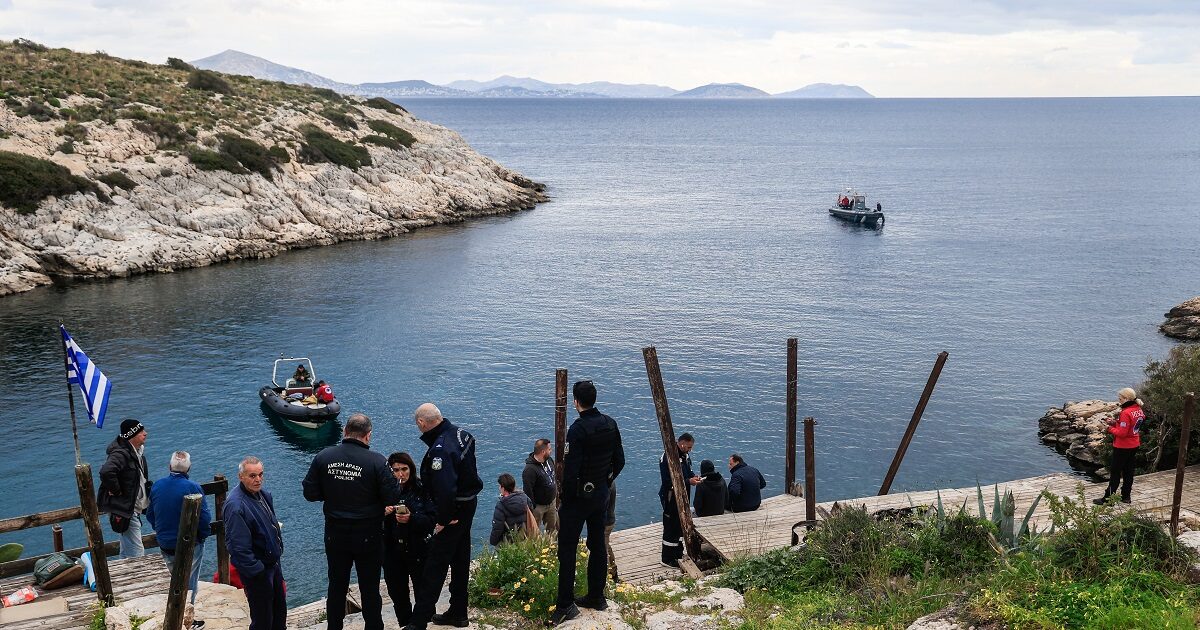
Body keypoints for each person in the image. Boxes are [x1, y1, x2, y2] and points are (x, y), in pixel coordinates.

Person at [302, 413, 402, 630]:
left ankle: (334, 627)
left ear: (345, 432)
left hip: (336, 532)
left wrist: (331, 493)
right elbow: (392, 497)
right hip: (369, 533)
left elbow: (310, 492)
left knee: (337, 586)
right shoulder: (377, 461)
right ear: (368, 436)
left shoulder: (324, 457)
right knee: (369, 587)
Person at [552, 380, 625, 625]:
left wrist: (567, 499)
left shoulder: (578, 429)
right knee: (597, 546)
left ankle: (565, 604)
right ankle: (596, 596)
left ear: (575, 402)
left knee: (567, 549)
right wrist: (605, 480)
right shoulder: (610, 424)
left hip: (579, 499)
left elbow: (570, 471)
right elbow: (620, 460)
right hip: (600, 495)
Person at [406, 403, 483, 630]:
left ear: (422, 423)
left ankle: (418, 623)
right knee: (460, 559)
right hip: (468, 504)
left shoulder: (440, 449)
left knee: (435, 565)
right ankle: (458, 611)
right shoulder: (462, 434)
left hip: (454, 511)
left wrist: (442, 519)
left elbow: (445, 488)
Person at [224, 457, 285, 630]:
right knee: (263, 619)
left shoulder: (263, 495)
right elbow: (237, 547)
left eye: (260, 474)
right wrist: (257, 571)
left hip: (272, 565)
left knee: (279, 612)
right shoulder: (236, 506)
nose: (258, 479)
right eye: (252, 476)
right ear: (241, 476)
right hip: (259, 571)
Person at [146, 451, 212, 608]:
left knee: (173, 578)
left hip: (165, 543)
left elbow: (150, 515)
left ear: (169, 466)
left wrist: (160, 531)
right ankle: (187, 614)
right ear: (188, 468)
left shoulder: (157, 486)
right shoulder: (193, 487)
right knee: (189, 580)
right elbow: (204, 519)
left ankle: (173, 609)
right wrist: (202, 536)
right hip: (189, 544)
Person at [383, 452, 434, 626]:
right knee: (397, 592)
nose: (400, 474)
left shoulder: (422, 488)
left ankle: (422, 623)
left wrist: (411, 519)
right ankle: (405, 623)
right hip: (391, 549)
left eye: (404, 469)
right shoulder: (384, 491)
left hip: (418, 547)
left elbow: (431, 520)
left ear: (411, 469)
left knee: (422, 590)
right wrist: (383, 513)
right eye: (396, 470)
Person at [98, 418, 152, 559]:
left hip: (130, 507)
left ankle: (124, 573)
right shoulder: (120, 454)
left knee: (127, 547)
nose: (145, 433)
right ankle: (138, 578)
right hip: (126, 508)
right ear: (132, 435)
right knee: (137, 552)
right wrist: (116, 490)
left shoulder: (136, 452)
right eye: (141, 432)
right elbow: (106, 472)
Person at [1095, 388, 1145, 505]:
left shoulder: (1125, 412)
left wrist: (1107, 428)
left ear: (1126, 399)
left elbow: (1122, 433)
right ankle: (1126, 496)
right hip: (1134, 444)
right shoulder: (1138, 410)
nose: (1119, 401)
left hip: (1122, 446)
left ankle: (1108, 499)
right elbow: (1130, 426)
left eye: (1120, 399)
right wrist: (1114, 422)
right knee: (1128, 471)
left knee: (1115, 472)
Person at [658, 433, 700, 568]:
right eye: (688, 447)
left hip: (683, 496)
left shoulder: (685, 456)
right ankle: (667, 558)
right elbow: (669, 480)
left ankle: (677, 553)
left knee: (679, 526)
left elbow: (687, 471)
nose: (689, 450)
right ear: (681, 443)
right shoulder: (668, 457)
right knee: (671, 526)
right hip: (671, 497)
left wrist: (694, 477)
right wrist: (689, 481)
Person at [522, 438, 558, 533]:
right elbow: (528, 490)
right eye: (549, 449)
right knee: (533, 532)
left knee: (552, 530)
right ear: (543, 451)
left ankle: (551, 546)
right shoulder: (530, 470)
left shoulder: (549, 460)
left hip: (551, 503)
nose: (551, 451)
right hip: (538, 506)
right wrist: (533, 507)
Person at [488, 473, 533, 546]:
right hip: (524, 536)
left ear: (503, 488)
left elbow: (497, 527)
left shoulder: (501, 505)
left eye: (500, 486)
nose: (499, 488)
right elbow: (531, 513)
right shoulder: (525, 498)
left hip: (509, 540)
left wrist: (493, 542)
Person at [604, 482, 618, 582]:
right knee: (606, 546)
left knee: (603, 550)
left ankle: (607, 578)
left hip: (605, 522)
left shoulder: (606, 485)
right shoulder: (610, 481)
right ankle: (614, 573)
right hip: (610, 520)